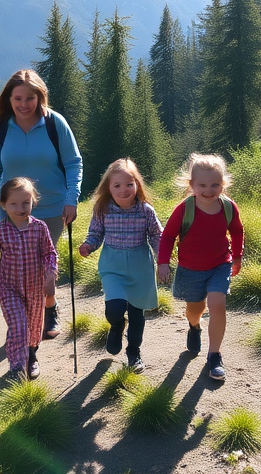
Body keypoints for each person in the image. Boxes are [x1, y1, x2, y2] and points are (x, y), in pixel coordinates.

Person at [0, 69, 83, 339]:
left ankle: (48, 307)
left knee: (43, 270)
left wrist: (71, 199)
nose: (23, 104)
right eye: (18, 98)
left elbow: (74, 163)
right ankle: (27, 326)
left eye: (30, 98)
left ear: (40, 97)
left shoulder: (55, 123)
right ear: (9, 98)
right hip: (13, 213)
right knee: (21, 271)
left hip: (52, 210)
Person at [156, 153, 244, 381]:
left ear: (223, 184)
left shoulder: (228, 207)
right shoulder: (184, 209)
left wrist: (237, 257)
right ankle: (194, 326)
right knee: (195, 309)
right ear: (192, 185)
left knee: (217, 304)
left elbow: (236, 230)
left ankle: (214, 356)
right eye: (202, 184)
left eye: (215, 184)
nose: (209, 189)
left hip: (219, 265)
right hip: (191, 269)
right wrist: (163, 263)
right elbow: (167, 237)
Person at [78, 158, 162, 373]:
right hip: (112, 265)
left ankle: (133, 353)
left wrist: (162, 258)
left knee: (136, 314)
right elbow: (96, 233)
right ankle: (116, 326)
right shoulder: (103, 209)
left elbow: (156, 235)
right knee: (114, 308)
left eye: (129, 184)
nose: (123, 190)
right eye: (117, 185)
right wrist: (89, 245)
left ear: (137, 185)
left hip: (140, 266)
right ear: (109, 187)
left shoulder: (145, 210)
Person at [0, 177, 59, 380]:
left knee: (33, 326)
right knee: (18, 324)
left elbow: (49, 253)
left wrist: (51, 272)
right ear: (3, 205)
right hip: (9, 287)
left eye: (26, 202)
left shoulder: (39, 228)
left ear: (34, 201)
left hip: (35, 287)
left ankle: (31, 357)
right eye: (13, 203)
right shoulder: (0, 231)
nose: (20, 208)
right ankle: (16, 367)